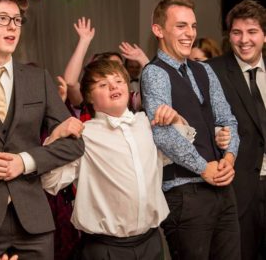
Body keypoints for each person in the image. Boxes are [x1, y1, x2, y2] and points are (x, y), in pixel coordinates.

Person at [0, 0, 84, 260]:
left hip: (34, 223)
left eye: (17, 20)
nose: (13, 27)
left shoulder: (37, 78)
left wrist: (26, 161)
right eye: (2, 19)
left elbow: (76, 144)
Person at [42, 59, 193, 260]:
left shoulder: (147, 124)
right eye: (103, 84)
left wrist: (176, 119)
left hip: (150, 242)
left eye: (119, 81)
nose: (113, 86)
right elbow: (50, 182)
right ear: (89, 97)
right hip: (105, 247)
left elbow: (181, 152)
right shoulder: (84, 135)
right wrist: (55, 136)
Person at [141, 0, 241, 260]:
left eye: (193, 26)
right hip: (185, 194)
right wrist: (203, 168)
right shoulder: (155, 73)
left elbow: (227, 119)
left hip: (222, 188)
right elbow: (163, 134)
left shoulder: (204, 70)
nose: (190, 34)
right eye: (181, 26)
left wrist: (229, 157)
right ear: (158, 30)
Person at [208, 0, 266, 260]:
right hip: (238, 189)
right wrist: (216, 133)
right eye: (237, 32)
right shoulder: (212, 71)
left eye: (252, 31)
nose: (244, 40)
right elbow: (201, 121)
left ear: (264, 35)